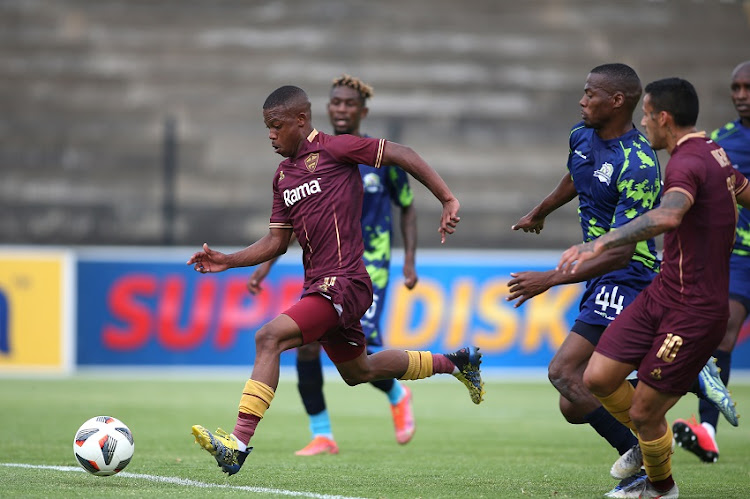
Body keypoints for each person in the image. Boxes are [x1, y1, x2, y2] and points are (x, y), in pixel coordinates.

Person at [187, 85, 484, 476]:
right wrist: (228, 261)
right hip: (321, 286)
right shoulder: (283, 177)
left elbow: (402, 154)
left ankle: (238, 444)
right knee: (359, 372)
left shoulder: (335, 149)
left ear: (301, 120)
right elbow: (277, 241)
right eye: (267, 128)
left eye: (276, 126)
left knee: (268, 337)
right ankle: (457, 362)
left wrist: (446, 198)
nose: (271, 135)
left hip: (345, 282)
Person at [558, 77, 750, 498]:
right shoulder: (714, 152)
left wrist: (600, 242)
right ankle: (658, 427)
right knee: (598, 377)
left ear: (664, 118)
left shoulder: (686, 162)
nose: (643, 123)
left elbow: (668, 216)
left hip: (695, 306)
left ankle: (659, 487)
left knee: (644, 411)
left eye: (646, 115)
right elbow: (744, 190)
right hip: (662, 290)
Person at [246, 75, 420, 455]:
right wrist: (264, 267)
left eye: (348, 104)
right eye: (335, 103)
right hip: (324, 268)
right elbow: (299, 220)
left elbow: (406, 207)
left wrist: (409, 259)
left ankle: (396, 391)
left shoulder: (375, 157)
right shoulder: (308, 161)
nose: (341, 109)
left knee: (362, 354)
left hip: (369, 266)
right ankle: (322, 433)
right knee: (310, 349)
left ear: (362, 111)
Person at [671, 60, 749, 464]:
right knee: (724, 332)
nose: (741, 95)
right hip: (739, 257)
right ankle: (708, 430)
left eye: (748, 87)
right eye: (735, 87)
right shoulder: (719, 143)